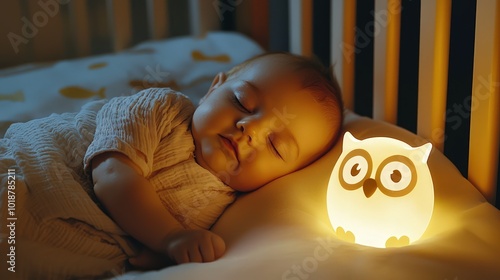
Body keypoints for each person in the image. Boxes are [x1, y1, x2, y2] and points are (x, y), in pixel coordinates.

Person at [0, 52, 343, 278]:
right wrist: (167, 237)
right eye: (242, 101)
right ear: (212, 89)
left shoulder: (229, 211)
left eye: (276, 146)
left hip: (43, 246)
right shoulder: (161, 109)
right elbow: (112, 174)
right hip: (26, 175)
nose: (250, 130)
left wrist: (161, 253)